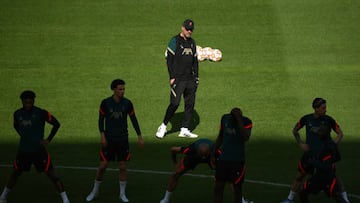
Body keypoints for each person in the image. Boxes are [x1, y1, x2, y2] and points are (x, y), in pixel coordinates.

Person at [0, 90, 70, 203]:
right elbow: (16, 125)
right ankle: (3, 197)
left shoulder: (41, 113)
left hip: (39, 151)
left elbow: (56, 124)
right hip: (23, 151)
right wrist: (25, 136)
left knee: (52, 175)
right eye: (26, 102)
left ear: (33, 101)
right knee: (15, 173)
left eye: (30, 102)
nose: (28, 104)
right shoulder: (17, 114)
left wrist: (48, 139)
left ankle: (65, 200)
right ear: (22, 102)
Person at [85, 79, 144, 202]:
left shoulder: (127, 103)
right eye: (120, 89)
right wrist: (102, 135)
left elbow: (134, 119)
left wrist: (139, 136)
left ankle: (122, 194)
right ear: (114, 90)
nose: (122, 91)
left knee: (122, 166)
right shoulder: (105, 103)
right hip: (109, 139)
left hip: (122, 139)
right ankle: (95, 191)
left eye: (123, 89)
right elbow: (101, 120)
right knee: (103, 166)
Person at [281, 98, 350, 203]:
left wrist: (332, 146)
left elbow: (340, 133)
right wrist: (300, 143)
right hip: (310, 155)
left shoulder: (329, 120)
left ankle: (345, 199)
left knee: (334, 178)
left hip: (325, 158)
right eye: (323, 108)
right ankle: (289, 199)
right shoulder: (307, 119)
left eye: (325, 107)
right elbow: (295, 130)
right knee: (300, 176)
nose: (325, 110)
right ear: (316, 109)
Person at [156, 18, 199, 139]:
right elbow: (169, 60)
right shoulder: (174, 41)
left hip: (190, 79)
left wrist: (196, 78)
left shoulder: (192, 43)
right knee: (174, 103)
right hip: (178, 79)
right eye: (187, 29)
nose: (189, 31)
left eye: (191, 30)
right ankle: (163, 125)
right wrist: (172, 77)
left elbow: (195, 61)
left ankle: (184, 129)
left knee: (190, 104)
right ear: (182, 28)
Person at [211, 107, 253, 203]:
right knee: (218, 188)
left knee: (237, 191)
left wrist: (239, 121)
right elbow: (220, 136)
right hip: (223, 160)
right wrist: (213, 153)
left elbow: (246, 137)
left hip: (237, 162)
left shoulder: (246, 122)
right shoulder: (225, 119)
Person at [299, 125, 347, 203]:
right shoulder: (331, 143)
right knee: (337, 196)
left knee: (303, 192)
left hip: (323, 177)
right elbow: (338, 157)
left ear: (324, 135)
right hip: (328, 175)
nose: (318, 134)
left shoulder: (327, 147)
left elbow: (325, 166)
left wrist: (313, 162)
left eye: (320, 133)